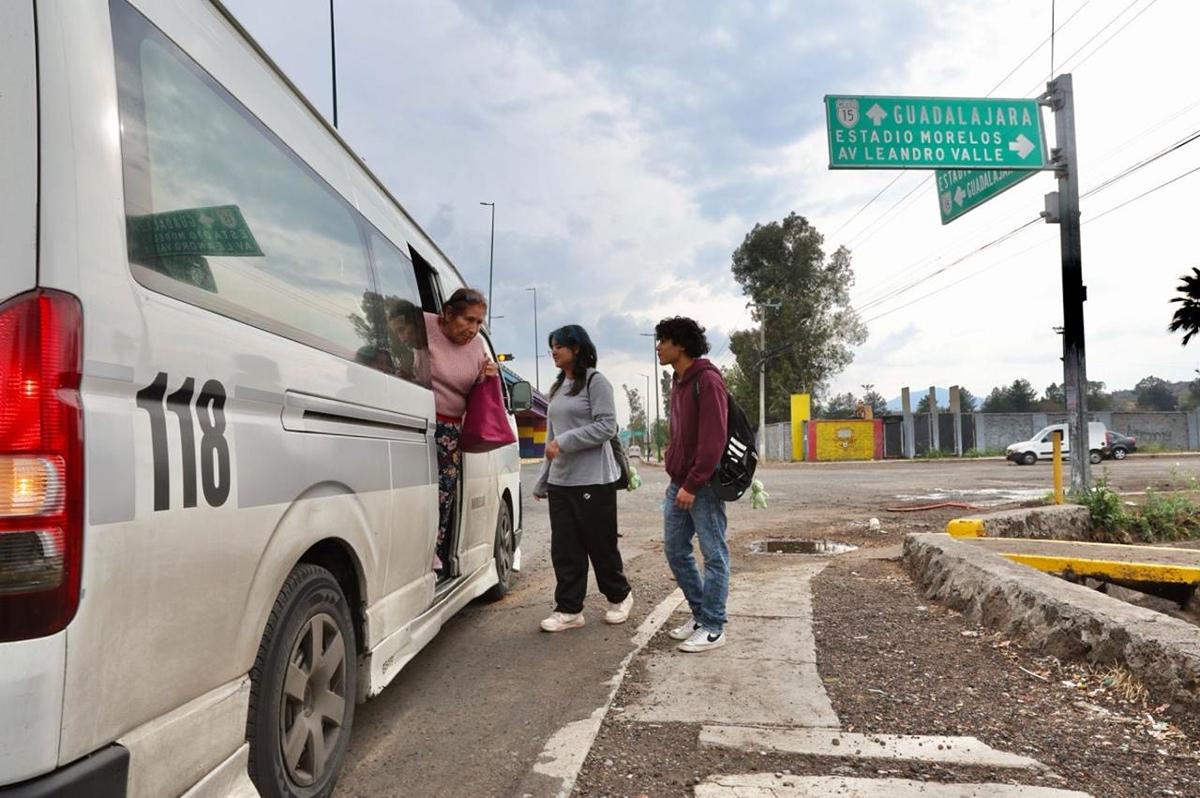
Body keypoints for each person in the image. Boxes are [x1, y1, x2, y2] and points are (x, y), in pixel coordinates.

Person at [532, 325, 633, 632]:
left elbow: (606, 427)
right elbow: (552, 437)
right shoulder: (559, 387)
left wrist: (565, 441)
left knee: (600, 544)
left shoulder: (595, 382)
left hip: (594, 480)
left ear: (576, 348)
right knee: (565, 548)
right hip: (562, 482)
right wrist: (543, 479)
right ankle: (569, 609)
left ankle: (620, 596)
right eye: (551, 346)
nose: (553, 351)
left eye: (559, 346)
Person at [655, 316, 730, 653]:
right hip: (680, 482)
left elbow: (713, 440)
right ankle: (701, 614)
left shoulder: (707, 381)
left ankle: (714, 626)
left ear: (680, 345)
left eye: (663, 341)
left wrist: (694, 483)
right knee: (675, 549)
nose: (658, 347)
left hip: (704, 485)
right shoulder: (679, 381)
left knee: (714, 554)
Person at [426, 287, 497, 572]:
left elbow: (478, 396)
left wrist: (485, 379)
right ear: (447, 313)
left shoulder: (478, 346)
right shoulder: (422, 325)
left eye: (479, 323)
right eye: (468, 320)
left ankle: (432, 552)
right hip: (413, 420)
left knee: (443, 495)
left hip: (449, 432)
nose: (473, 329)